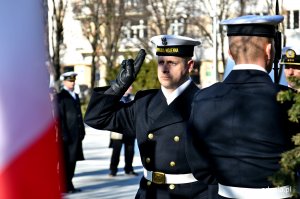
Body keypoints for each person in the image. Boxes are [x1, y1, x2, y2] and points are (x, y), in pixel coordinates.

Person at [84, 35, 217, 198]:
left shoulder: (206, 103)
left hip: (190, 194)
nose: (164, 69)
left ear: (189, 65)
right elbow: (96, 118)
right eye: (161, 62)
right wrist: (118, 86)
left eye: (172, 63)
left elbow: (219, 166)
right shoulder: (144, 102)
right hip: (149, 192)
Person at [186, 15, 300, 199]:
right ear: (270, 50)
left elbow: (199, 166)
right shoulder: (290, 100)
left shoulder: (203, 98)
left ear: (230, 52)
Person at [57, 71, 85, 193]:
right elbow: (60, 117)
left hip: (76, 134)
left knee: (73, 161)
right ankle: (64, 185)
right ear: (64, 81)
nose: (72, 83)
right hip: (67, 135)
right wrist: (63, 133)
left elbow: (79, 115)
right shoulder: (61, 96)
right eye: (70, 81)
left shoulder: (75, 96)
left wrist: (82, 130)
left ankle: (69, 184)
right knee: (66, 161)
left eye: (73, 81)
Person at [109, 85, 138, 177]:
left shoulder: (133, 98)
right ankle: (113, 170)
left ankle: (129, 169)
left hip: (130, 129)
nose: (131, 88)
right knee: (116, 151)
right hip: (118, 129)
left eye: (132, 86)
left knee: (130, 150)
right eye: (129, 86)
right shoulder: (116, 98)